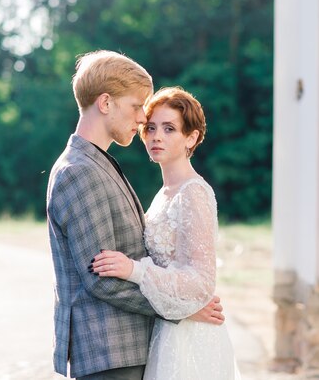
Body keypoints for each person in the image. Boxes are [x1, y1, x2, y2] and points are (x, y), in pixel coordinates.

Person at [46, 50, 224, 380]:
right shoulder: (79, 171)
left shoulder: (101, 163)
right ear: (105, 103)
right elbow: (101, 280)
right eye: (136, 106)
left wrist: (180, 301)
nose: (143, 119)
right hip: (108, 349)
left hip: (134, 347)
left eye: (167, 127)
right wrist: (183, 311)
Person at [92, 87, 242, 379]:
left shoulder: (194, 193)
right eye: (151, 128)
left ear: (191, 137)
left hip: (192, 340)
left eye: (169, 128)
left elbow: (201, 283)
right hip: (169, 328)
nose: (156, 136)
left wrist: (133, 270)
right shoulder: (163, 195)